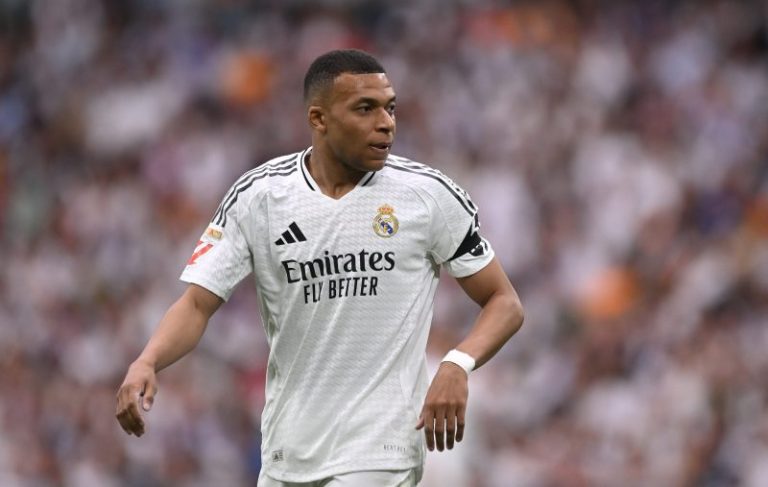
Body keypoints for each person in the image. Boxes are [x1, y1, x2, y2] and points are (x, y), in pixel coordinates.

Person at [115, 49, 524, 486]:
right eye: (365, 109)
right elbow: (197, 303)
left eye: (390, 108)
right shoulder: (260, 197)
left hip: (379, 451)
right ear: (319, 118)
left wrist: (456, 363)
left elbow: (504, 302)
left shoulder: (427, 195)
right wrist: (148, 360)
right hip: (287, 453)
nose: (386, 123)